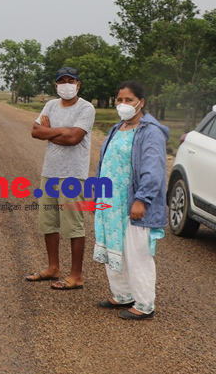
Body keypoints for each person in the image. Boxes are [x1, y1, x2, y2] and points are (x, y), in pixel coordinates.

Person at [93, 81, 168, 320]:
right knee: (116, 248)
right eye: (119, 100)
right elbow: (106, 163)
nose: (122, 104)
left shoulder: (150, 132)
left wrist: (142, 200)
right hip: (110, 202)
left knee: (137, 254)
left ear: (141, 103)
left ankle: (145, 304)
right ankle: (123, 295)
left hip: (132, 203)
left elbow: (153, 169)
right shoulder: (118, 128)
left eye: (128, 100)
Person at [26, 66, 96, 290]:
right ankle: (53, 268)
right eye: (62, 81)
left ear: (78, 84)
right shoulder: (50, 105)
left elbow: (74, 139)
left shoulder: (86, 108)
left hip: (73, 175)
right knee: (48, 223)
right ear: (56, 85)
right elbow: (35, 132)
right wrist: (62, 130)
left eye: (71, 80)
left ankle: (76, 275)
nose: (66, 85)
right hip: (50, 172)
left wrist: (51, 131)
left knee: (73, 225)